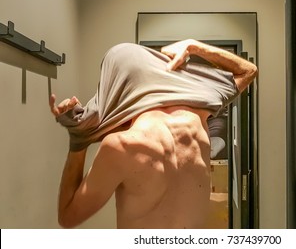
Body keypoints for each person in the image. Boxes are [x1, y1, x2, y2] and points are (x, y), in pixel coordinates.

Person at [49, 39, 257, 229]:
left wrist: (79, 139)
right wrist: (194, 47)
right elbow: (248, 71)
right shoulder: (197, 121)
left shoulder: (120, 146)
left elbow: (68, 218)